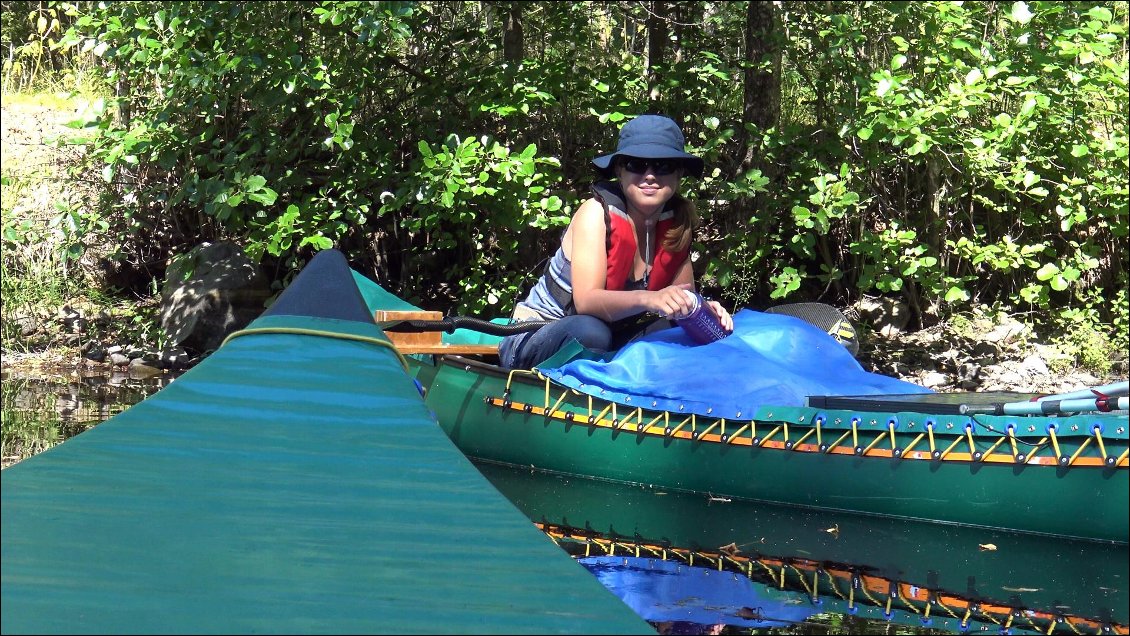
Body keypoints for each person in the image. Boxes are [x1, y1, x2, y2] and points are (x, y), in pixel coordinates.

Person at [499, 114, 734, 370]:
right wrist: (651, 298)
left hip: (611, 337)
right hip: (537, 336)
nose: (650, 176)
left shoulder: (677, 224)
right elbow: (587, 303)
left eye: (663, 166)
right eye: (637, 165)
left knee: (679, 330)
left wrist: (699, 310)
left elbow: (682, 295)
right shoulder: (595, 214)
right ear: (620, 171)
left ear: (678, 174)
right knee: (591, 331)